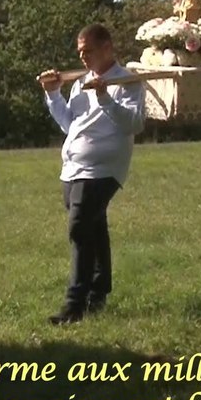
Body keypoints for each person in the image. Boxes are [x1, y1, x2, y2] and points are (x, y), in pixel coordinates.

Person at [37, 24, 146, 324]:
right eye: (80, 52)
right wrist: (53, 95)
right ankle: (99, 292)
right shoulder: (80, 82)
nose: (84, 58)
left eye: (89, 51)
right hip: (73, 167)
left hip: (103, 168)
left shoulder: (128, 82)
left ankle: (75, 306)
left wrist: (105, 98)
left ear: (107, 48)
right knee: (93, 227)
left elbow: (133, 124)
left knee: (79, 228)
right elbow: (69, 123)